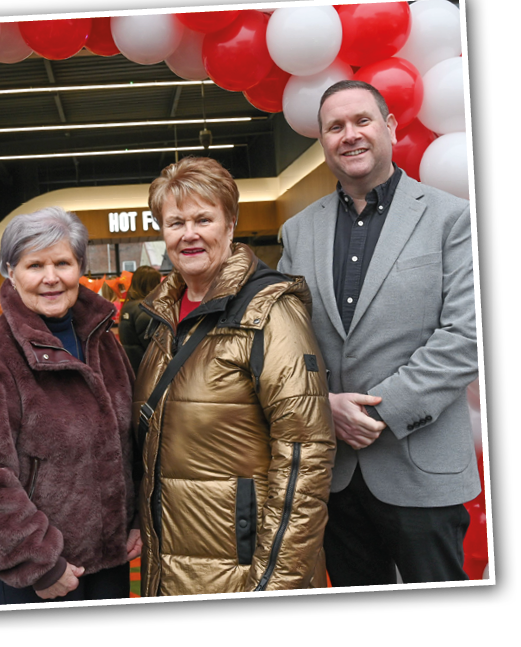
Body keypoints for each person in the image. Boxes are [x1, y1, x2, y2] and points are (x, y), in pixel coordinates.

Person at [277, 80, 481, 586]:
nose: (350, 135)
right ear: (323, 140)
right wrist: (323, 405)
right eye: (335, 126)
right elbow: (284, 345)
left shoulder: (451, 218)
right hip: (334, 476)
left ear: (389, 127)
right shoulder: (297, 231)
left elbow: (466, 337)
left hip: (421, 470)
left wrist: (379, 411)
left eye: (362, 121)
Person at [133, 156, 336, 597]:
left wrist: (274, 584)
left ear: (231, 223)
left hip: (245, 573)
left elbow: (305, 457)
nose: (189, 234)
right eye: (175, 222)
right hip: (170, 569)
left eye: (203, 219)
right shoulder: (161, 318)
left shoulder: (269, 312)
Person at [0, 206, 140, 604]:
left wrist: (134, 520)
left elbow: (129, 442)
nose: (51, 278)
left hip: (112, 566)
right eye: (35, 265)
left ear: (80, 267)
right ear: (11, 273)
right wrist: (39, 563)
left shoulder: (103, 342)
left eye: (62, 263)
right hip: (40, 579)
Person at [118, 265, 160, 374]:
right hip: (147, 370)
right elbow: (154, 348)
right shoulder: (144, 311)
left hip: (132, 366)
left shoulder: (128, 306)